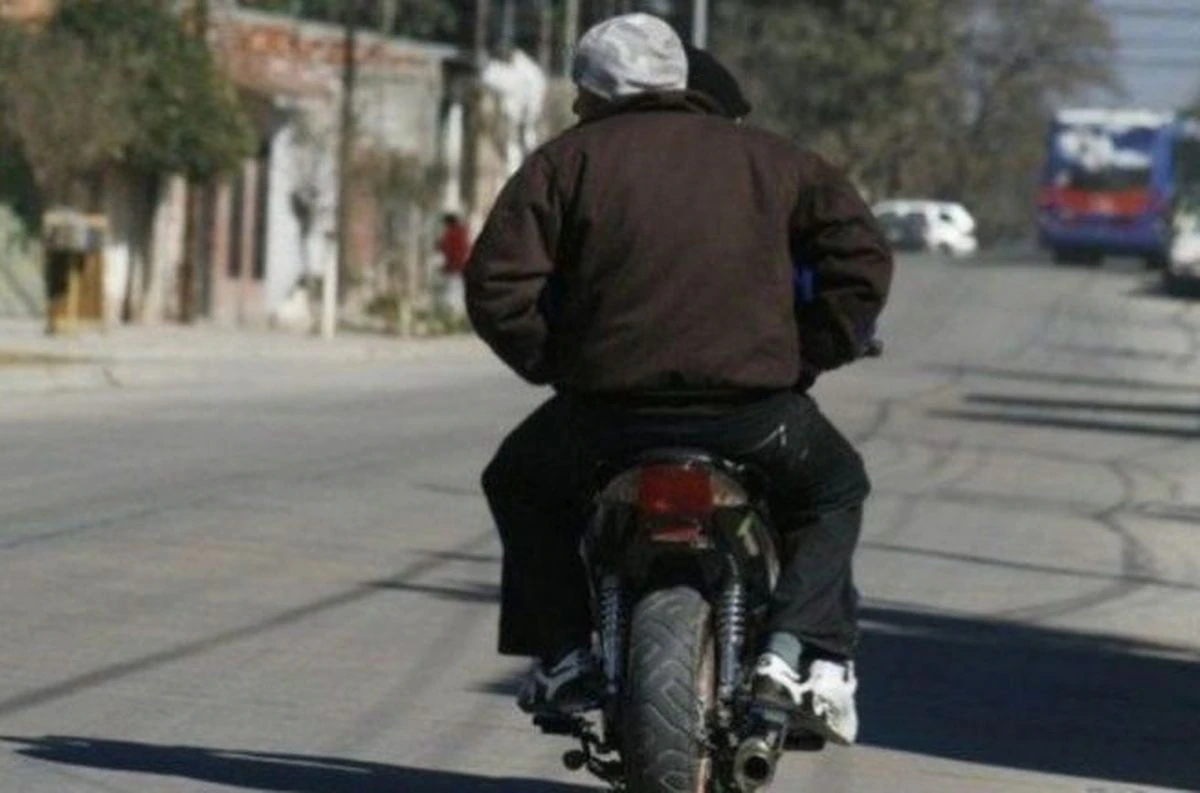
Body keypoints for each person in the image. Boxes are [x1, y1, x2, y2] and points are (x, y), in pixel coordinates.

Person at [465, 13, 893, 747]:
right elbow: (862, 258)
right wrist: (808, 353)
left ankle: (565, 655)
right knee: (833, 490)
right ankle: (790, 653)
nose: (577, 105)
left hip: (605, 415)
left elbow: (496, 285)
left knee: (519, 482)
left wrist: (555, 362)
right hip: (752, 413)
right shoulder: (776, 159)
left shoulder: (564, 162)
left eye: (581, 93)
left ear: (595, 93)